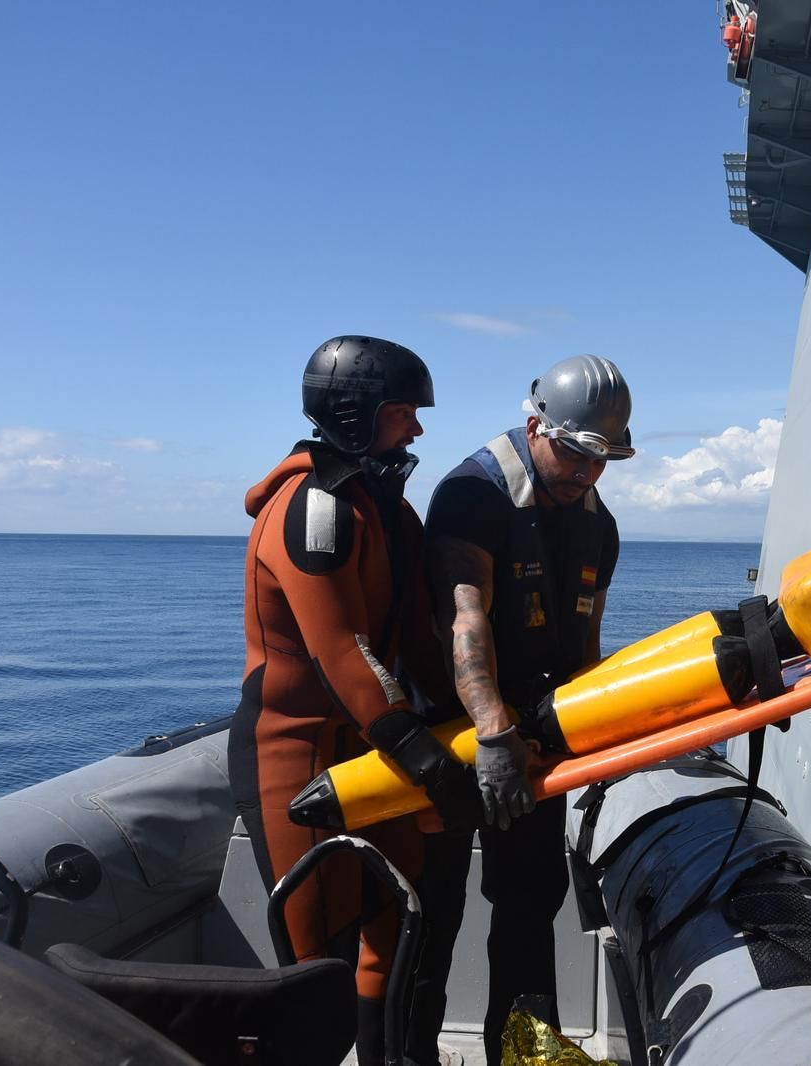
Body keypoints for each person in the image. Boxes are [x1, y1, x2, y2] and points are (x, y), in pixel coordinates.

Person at [229, 335, 477, 1066]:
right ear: (358, 413)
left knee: (391, 932)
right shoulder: (315, 507)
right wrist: (425, 759)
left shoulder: (390, 514)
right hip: (297, 756)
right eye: (406, 414)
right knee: (317, 962)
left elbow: (418, 643)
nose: (419, 430)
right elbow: (342, 651)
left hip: (372, 748)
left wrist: (474, 719)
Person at [424, 353, 632, 1064]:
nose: (585, 473)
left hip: (541, 738)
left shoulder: (596, 524)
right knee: (433, 909)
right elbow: (465, 618)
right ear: (535, 425)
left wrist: (595, 741)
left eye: (602, 461)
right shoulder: (473, 495)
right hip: (456, 738)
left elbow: (589, 641)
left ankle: (518, 1055)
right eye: (574, 455)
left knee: (529, 901)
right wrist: (491, 731)